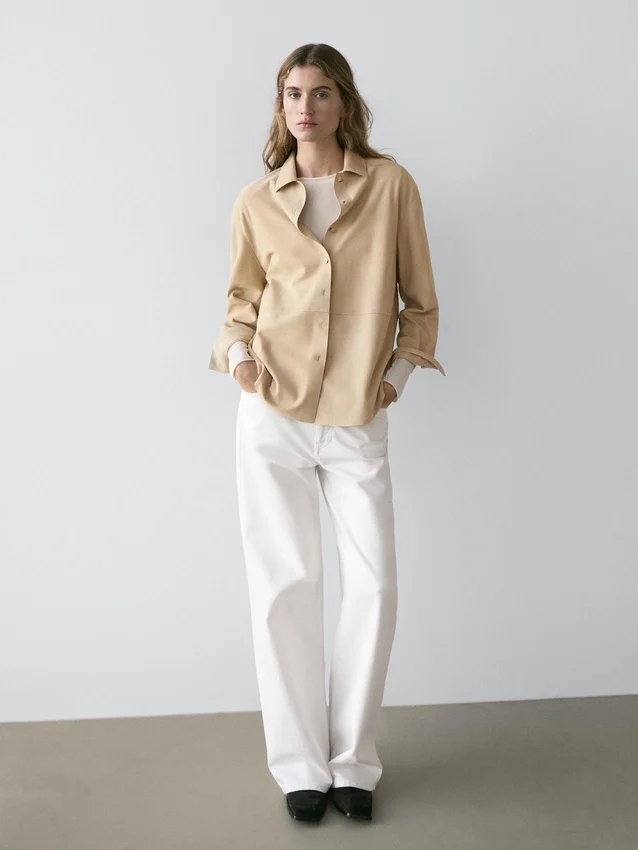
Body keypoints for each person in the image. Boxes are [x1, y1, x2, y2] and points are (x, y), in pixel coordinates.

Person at [208, 43, 445, 823]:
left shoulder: (389, 186)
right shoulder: (256, 200)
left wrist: (393, 380)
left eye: (319, 93)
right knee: (286, 586)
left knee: (373, 586)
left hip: (355, 415)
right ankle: (301, 768)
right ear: (280, 106)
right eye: (291, 93)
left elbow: (421, 303)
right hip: (271, 412)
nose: (304, 107)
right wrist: (241, 361)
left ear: (345, 102)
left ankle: (354, 764)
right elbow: (240, 301)